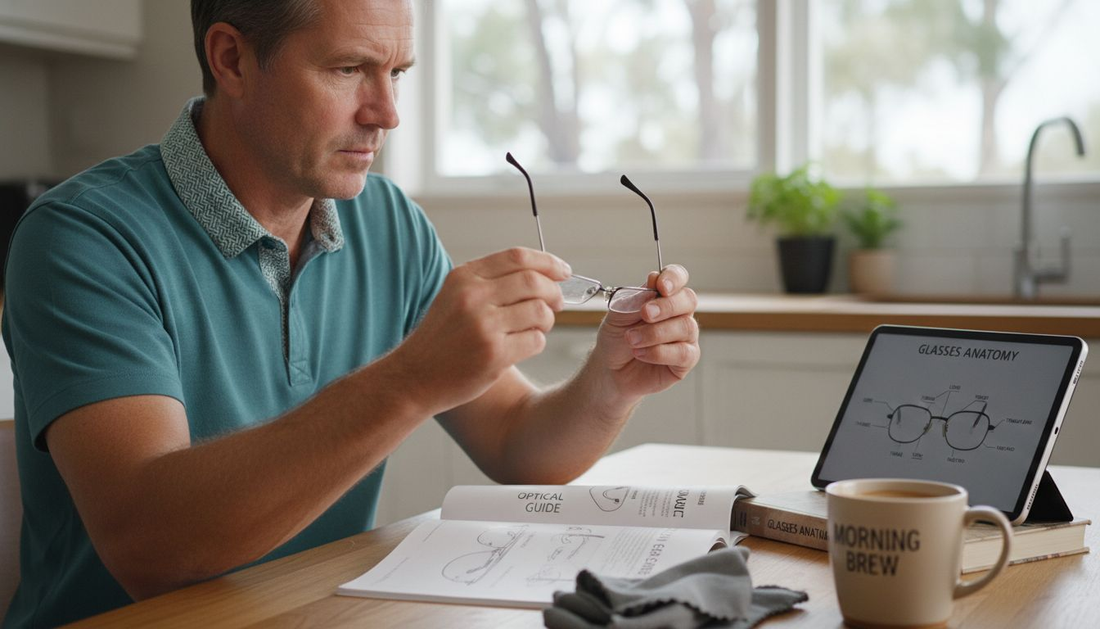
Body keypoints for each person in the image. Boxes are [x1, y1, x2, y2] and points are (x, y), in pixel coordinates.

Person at [0, 0, 700, 626]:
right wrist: (412, 377)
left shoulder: (390, 222)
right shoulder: (82, 237)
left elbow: (519, 444)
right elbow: (149, 547)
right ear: (231, 58)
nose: (387, 112)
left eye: (397, 72)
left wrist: (613, 382)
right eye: (348, 69)